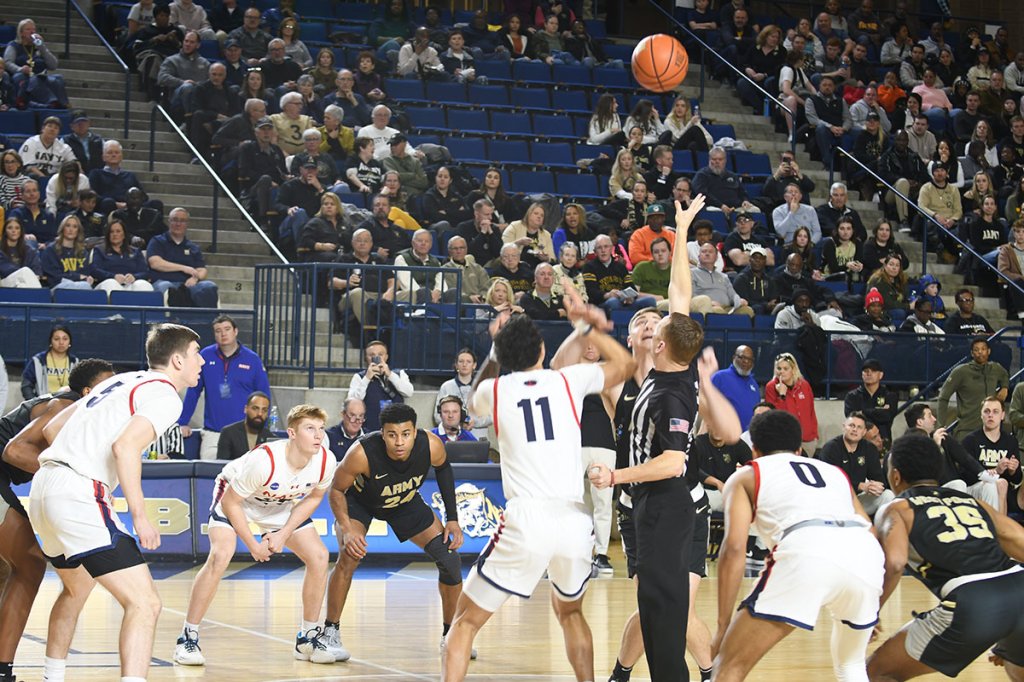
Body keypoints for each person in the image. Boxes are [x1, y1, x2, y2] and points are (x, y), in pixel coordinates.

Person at [588, 193, 742, 682]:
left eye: (657, 328)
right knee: (657, 608)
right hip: (649, 504)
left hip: (669, 501)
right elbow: (680, 292)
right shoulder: (663, 360)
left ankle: (703, 670)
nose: (655, 325)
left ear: (661, 345)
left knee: (667, 611)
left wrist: (614, 476)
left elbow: (675, 462)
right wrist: (680, 233)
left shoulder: (671, 393)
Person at [444, 290, 637, 681]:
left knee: (462, 625)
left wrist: (496, 350)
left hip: (527, 517)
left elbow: (473, 401)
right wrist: (587, 325)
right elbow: (627, 364)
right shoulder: (567, 381)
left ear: (502, 355)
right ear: (542, 349)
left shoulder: (493, 391)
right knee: (570, 612)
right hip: (571, 519)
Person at [27, 323, 202, 682]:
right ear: (179, 360)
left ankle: (52, 677)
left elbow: (52, 430)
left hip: (44, 486)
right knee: (145, 603)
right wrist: (140, 516)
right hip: (77, 492)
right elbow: (125, 447)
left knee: (77, 587)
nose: (203, 362)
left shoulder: (119, 381)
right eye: (198, 354)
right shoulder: (167, 396)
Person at [711, 409, 884, 681]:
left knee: (728, 665)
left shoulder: (747, 474)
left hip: (807, 550)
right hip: (866, 556)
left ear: (754, 450)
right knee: (851, 666)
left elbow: (733, 550)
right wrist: (871, 600)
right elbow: (871, 530)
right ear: (799, 449)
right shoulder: (834, 472)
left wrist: (723, 626)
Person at [173, 404, 336, 666]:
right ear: (292, 433)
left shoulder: (326, 460)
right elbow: (231, 502)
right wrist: (253, 544)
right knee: (221, 555)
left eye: (320, 429)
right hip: (238, 499)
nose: (318, 435)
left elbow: (315, 497)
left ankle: (307, 637)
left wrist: (283, 534)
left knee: (318, 556)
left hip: (279, 502)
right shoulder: (265, 461)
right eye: (310, 428)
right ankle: (187, 638)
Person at [866, 433, 1024, 682]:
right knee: (1017, 669)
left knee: (876, 672)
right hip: (1020, 588)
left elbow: (895, 563)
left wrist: (870, 613)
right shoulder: (973, 502)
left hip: (973, 603)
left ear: (895, 475)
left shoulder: (897, 508)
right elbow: (1019, 541)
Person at [0, 359, 114, 682]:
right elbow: (14, 452)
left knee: (10, 568)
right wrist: (70, 472)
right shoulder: (67, 406)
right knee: (31, 564)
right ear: (89, 390)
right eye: (109, 383)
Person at [328, 404, 466, 663]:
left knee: (449, 558)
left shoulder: (432, 445)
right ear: (382, 433)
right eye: (392, 435)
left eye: (405, 434)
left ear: (415, 432)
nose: (399, 441)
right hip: (360, 503)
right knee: (350, 556)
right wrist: (346, 527)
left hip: (403, 501)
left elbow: (444, 469)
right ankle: (329, 632)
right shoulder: (361, 453)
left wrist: (453, 519)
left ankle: (451, 635)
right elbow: (336, 490)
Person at [178, 314, 271, 460]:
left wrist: (264, 429)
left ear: (235, 331)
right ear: (214, 335)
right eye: (218, 331)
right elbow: (193, 391)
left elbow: (264, 396)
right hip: (213, 433)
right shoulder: (205, 356)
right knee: (210, 474)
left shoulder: (252, 359)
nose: (223, 334)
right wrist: (182, 422)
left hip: (245, 433)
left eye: (227, 329)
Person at [819, 411, 894, 518]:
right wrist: (860, 485)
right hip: (834, 501)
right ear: (844, 427)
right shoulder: (831, 448)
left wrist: (875, 487)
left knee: (888, 495)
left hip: (857, 501)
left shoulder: (869, 448)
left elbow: (879, 479)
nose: (855, 429)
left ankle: (881, 532)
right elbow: (830, 481)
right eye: (851, 426)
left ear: (864, 432)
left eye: (859, 427)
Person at [960, 397, 1021, 516]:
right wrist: (996, 471)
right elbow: (966, 476)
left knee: (1002, 484)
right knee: (993, 485)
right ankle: (998, 529)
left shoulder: (1010, 441)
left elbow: (1017, 479)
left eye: (995, 412)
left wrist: (1013, 471)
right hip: (978, 490)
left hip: (1004, 492)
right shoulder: (970, 440)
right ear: (981, 415)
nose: (990, 415)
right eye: (987, 411)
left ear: (1003, 415)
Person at [147, 207, 219, 307]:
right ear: (169, 222)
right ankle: (170, 321)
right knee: (167, 287)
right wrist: (184, 268)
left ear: (187, 224)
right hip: (164, 281)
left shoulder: (193, 247)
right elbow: (155, 263)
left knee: (208, 286)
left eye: (182, 221)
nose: (178, 224)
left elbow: (202, 269)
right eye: (175, 220)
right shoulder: (157, 241)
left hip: (188, 284)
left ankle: (206, 321)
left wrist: (195, 278)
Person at [938, 337, 1009, 438]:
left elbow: (1005, 375)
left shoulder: (995, 368)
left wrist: (1004, 387)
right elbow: (943, 397)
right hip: (967, 430)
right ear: (972, 353)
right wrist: (940, 425)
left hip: (991, 431)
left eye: (983, 349)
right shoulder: (961, 371)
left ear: (989, 351)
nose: (980, 352)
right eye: (976, 350)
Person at [346, 340, 414, 433]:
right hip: (370, 429)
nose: (376, 358)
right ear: (366, 358)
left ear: (386, 357)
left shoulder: (399, 373)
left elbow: (408, 392)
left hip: (397, 428)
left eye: (380, 355)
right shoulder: (360, 377)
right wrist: (367, 378)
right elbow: (353, 400)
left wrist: (390, 375)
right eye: (372, 355)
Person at [765, 352, 818, 454]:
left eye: (785, 368)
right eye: (779, 368)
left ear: (793, 370)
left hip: (808, 441)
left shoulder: (804, 385)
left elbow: (811, 412)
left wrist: (814, 435)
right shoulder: (771, 387)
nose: (781, 372)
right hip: (785, 441)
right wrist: (782, 395)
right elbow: (774, 417)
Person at [844, 359, 897, 443]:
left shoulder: (889, 396)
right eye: (866, 371)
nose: (869, 373)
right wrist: (878, 412)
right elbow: (852, 419)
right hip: (858, 441)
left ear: (881, 375)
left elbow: (887, 416)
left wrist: (864, 412)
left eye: (874, 370)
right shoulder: (852, 396)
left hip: (882, 440)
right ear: (862, 375)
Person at [21, 324, 79, 399]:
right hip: (44, 405)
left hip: (68, 405)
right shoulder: (38, 361)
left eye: (65, 339)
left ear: (69, 342)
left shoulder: (74, 362)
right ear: (50, 342)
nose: (61, 342)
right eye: (56, 339)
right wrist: (34, 404)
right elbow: (26, 386)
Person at [711, 345, 761, 431]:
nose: (745, 361)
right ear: (734, 357)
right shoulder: (719, 378)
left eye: (749, 359)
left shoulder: (754, 384)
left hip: (748, 438)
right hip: (724, 436)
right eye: (742, 357)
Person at [215, 390, 271, 461]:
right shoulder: (229, 433)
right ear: (246, 409)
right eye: (255, 408)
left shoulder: (271, 438)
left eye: (264, 410)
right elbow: (220, 465)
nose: (260, 413)